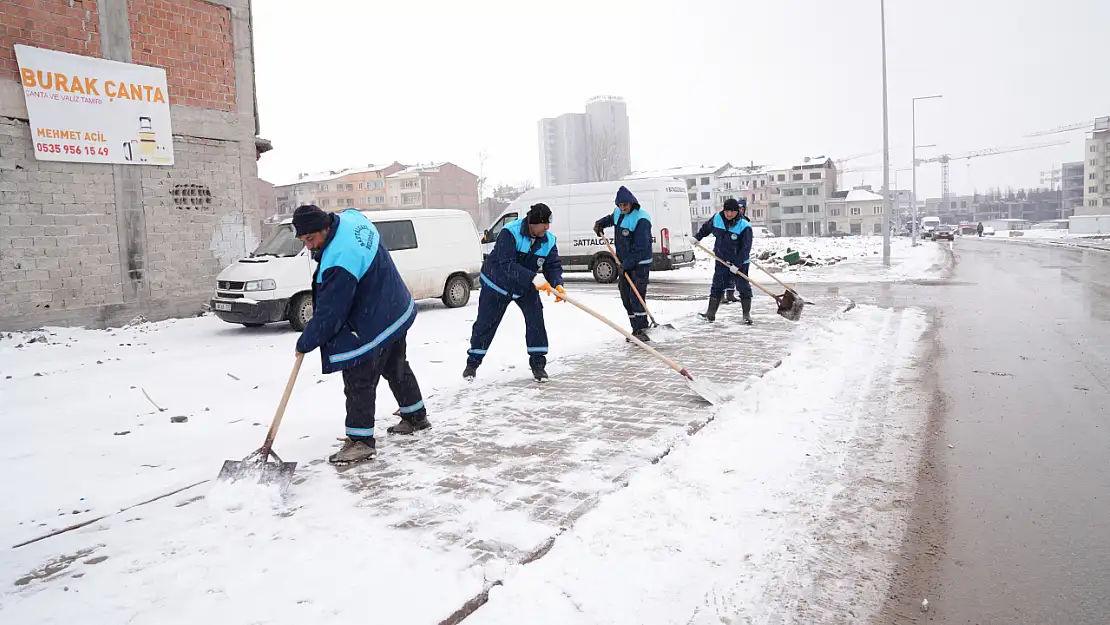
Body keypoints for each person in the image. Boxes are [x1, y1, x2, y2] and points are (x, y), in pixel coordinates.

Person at [292, 204, 430, 466]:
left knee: (359, 378)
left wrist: (307, 340)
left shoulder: (340, 257)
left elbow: (331, 312)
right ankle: (416, 416)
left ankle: (361, 442)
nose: (309, 246)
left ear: (325, 228)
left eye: (311, 239)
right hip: (394, 307)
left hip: (374, 318)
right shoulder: (350, 219)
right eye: (303, 241)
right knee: (395, 365)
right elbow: (354, 210)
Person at [465, 203, 565, 382]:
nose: (548, 227)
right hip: (497, 283)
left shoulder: (548, 240)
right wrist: (533, 278)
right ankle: (472, 364)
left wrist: (557, 284)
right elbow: (507, 264)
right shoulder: (510, 232)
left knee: (536, 321)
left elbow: (553, 265)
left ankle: (538, 365)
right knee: (485, 324)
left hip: (525, 288)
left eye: (549, 223)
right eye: (544, 224)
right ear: (533, 223)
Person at [594, 186, 654, 342]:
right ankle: (636, 329)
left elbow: (641, 247)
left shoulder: (641, 219)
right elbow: (609, 219)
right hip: (624, 263)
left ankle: (643, 329)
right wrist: (600, 224)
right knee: (626, 297)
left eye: (625, 205)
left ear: (632, 203)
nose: (623, 208)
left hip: (639, 264)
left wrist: (627, 263)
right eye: (620, 205)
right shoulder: (618, 213)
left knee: (636, 297)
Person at [693, 198, 753, 324]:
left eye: (732, 211)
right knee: (717, 286)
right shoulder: (717, 219)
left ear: (737, 211)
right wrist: (697, 237)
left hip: (740, 263)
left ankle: (746, 315)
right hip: (722, 260)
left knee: (743, 287)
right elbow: (705, 229)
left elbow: (745, 248)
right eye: (727, 211)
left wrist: (737, 265)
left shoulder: (744, 226)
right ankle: (710, 314)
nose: (729, 214)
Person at [722, 199, 753, 306]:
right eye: (738, 208)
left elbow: (746, 245)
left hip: (741, 258)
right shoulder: (727, 221)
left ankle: (746, 313)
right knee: (724, 277)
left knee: (742, 284)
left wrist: (740, 260)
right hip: (728, 257)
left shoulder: (745, 222)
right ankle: (723, 295)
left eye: (742, 208)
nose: (740, 210)